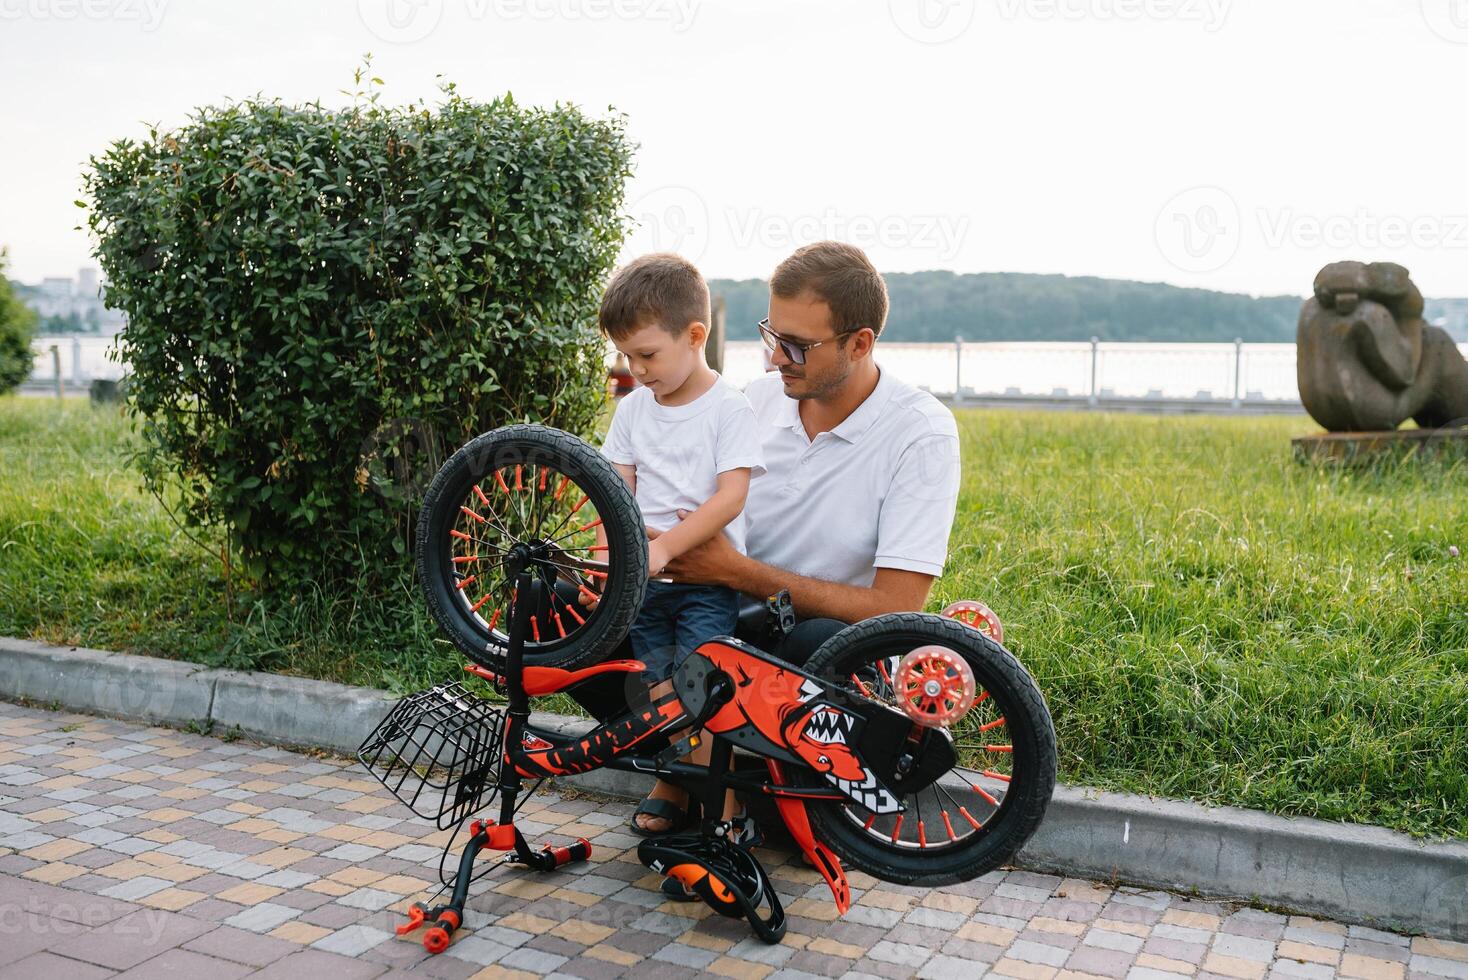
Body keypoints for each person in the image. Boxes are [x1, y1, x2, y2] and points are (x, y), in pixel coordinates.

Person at [576, 240, 964, 836]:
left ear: (860, 343)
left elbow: (897, 610)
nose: (775, 356)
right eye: (770, 334)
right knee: (567, 602)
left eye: (797, 346)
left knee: (814, 641)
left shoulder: (920, 433)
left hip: (811, 648)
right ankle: (691, 770)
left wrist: (734, 572)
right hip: (712, 608)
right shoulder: (749, 402)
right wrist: (614, 565)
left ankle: (738, 784)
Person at [590, 253, 765, 834]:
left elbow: (729, 498)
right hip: (645, 586)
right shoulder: (633, 411)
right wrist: (602, 558)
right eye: (625, 356)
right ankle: (677, 781)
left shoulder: (728, 409)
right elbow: (614, 496)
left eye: (647, 355)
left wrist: (665, 550)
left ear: (695, 336)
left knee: (703, 685)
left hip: (704, 586)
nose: (636, 369)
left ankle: (724, 806)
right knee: (652, 684)